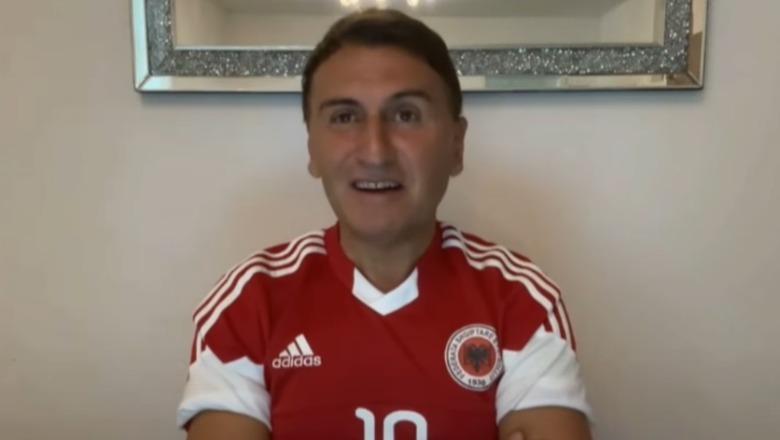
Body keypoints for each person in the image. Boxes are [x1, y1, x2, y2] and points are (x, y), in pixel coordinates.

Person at [177, 8, 592, 440]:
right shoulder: (246, 305)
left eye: (406, 115)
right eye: (344, 117)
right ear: (312, 149)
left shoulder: (522, 301)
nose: (375, 151)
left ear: (456, 145)